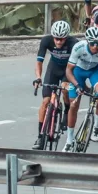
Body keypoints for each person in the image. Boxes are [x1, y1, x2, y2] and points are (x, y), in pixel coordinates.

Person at [65, 27, 98, 147]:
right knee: (73, 105)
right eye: (92, 43)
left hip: (95, 71)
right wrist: (77, 85)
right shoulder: (79, 47)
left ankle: (97, 126)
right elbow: (68, 71)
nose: (95, 46)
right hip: (78, 71)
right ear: (87, 41)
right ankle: (70, 138)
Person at [33, 20, 77, 149]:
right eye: (56, 39)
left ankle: (66, 110)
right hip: (53, 68)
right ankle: (40, 137)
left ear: (66, 37)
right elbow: (39, 61)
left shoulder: (74, 43)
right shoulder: (46, 41)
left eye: (62, 39)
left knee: (64, 90)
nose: (58, 42)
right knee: (45, 102)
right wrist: (38, 77)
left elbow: (78, 64)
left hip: (67, 70)